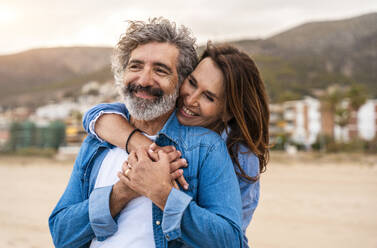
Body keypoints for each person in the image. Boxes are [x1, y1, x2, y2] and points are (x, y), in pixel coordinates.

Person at [49, 18, 243, 248]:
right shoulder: (98, 142)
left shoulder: (205, 146)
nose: (143, 80)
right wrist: (121, 192)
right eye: (135, 66)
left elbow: (230, 241)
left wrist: (161, 192)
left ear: (179, 82)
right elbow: (61, 234)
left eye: (160, 70)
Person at [83, 43, 270, 247]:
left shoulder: (240, 157)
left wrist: (162, 192)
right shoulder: (164, 110)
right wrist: (144, 146)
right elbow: (97, 114)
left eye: (208, 97)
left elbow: (231, 239)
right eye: (191, 82)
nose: (191, 99)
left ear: (228, 111)